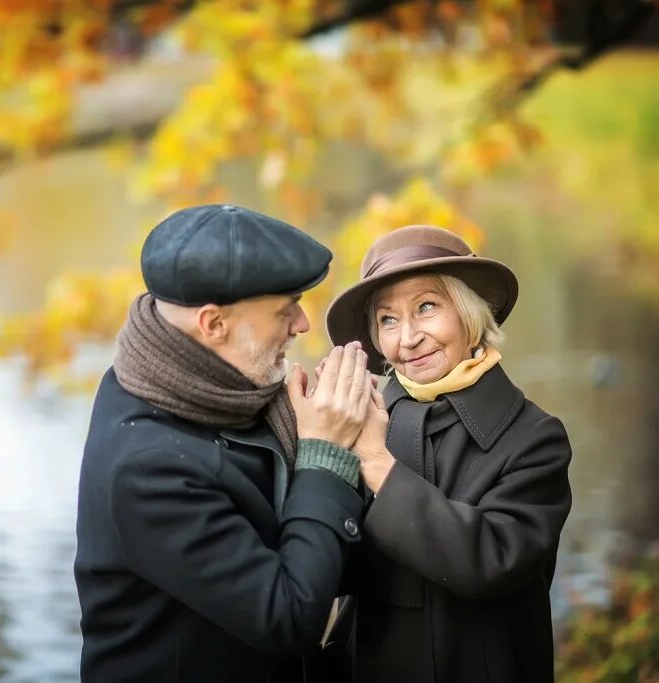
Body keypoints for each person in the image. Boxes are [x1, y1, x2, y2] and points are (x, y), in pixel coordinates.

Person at [75, 204, 372, 682]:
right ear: (213, 325)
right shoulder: (148, 469)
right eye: (284, 309)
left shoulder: (190, 383)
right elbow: (289, 618)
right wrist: (324, 455)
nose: (301, 324)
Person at [324, 224, 573, 683]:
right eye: (388, 319)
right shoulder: (356, 422)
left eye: (426, 307)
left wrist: (377, 463)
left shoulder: (535, 437)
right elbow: (320, 565)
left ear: (470, 315)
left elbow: (489, 561)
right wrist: (314, 449)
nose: (408, 338)